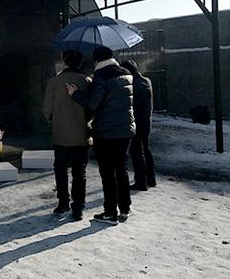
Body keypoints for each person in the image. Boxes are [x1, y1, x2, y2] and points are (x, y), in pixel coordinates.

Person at [66, 46, 135, 224]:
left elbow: (92, 104)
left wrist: (75, 94)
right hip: (125, 129)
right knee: (122, 169)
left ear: (97, 61)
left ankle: (110, 212)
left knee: (107, 172)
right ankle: (125, 207)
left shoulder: (101, 76)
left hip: (106, 132)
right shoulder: (127, 73)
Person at [43, 50, 91, 221]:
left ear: (64, 62)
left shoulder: (54, 82)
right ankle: (78, 207)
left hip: (60, 133)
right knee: (80, 171)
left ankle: (63, 202)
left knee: (61, 168)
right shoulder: (87, 81)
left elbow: (47, 109)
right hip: (81, 134)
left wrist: (52, 120)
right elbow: (91, 107)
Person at [121, 60, 155, 190]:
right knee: (146, 149)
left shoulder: (133, 85)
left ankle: (141, 181)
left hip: (136, 121)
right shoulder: (146, 81)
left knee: (136, 152)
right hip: (146, 121)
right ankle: (151, 179)